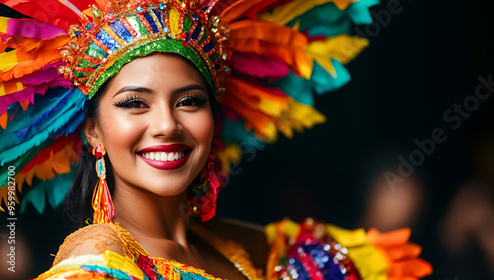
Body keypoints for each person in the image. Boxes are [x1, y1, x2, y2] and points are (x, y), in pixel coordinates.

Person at [0, 0, 432, 279]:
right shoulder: (92, 272)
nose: (167, 125)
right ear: (93, 129)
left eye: (189, 101)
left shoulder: (247, 248)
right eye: (135, 103)